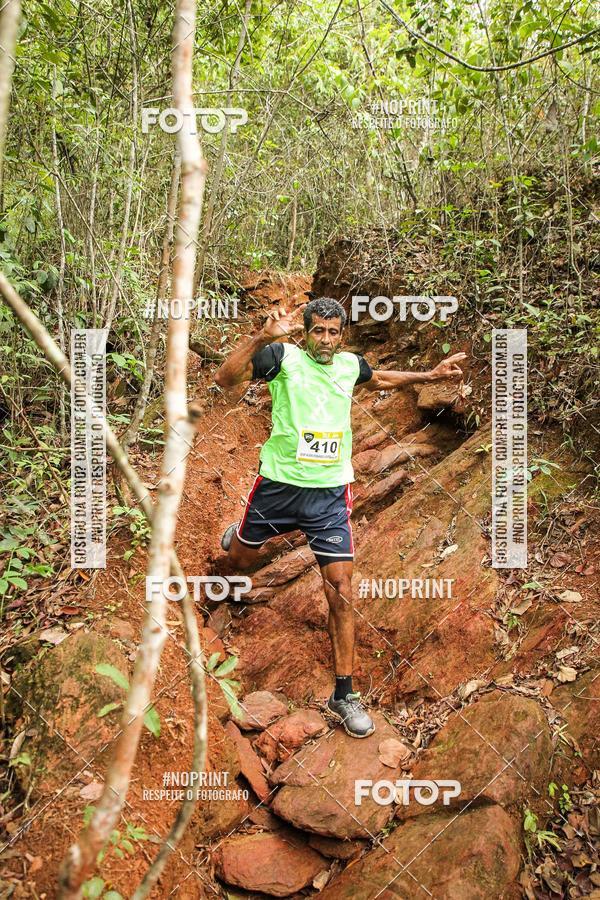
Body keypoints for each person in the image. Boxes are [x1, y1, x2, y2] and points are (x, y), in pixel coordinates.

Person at [214, 297, 466, 738]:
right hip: (277, 487)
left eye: (333, 332)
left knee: (341, 588)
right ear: (306, 332)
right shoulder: (282, 357)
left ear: (341, 335)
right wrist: (259, 338)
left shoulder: (349, 365)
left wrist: (430, 375)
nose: (326, 340)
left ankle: (343, 693)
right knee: (239, 563)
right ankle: (238, 537)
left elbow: (382, 378)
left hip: (329, 496)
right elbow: (225, 379)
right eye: (318, 331)